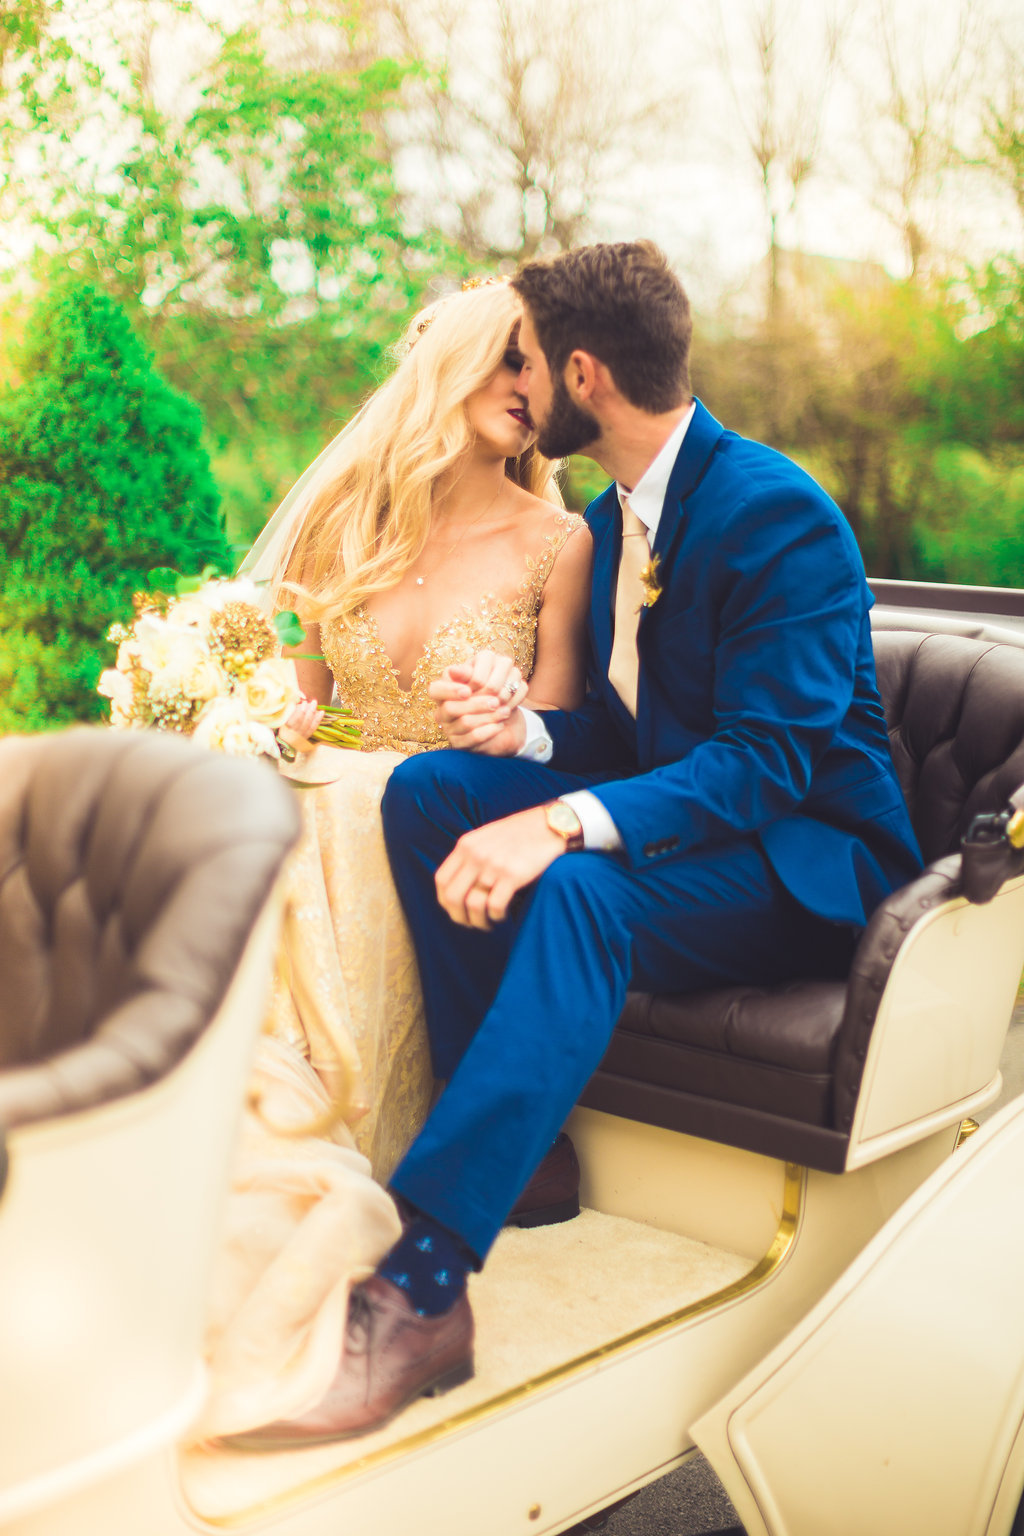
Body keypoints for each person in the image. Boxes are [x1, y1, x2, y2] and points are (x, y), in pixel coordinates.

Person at [232, 239, 923, 1451]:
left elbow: (771, 761)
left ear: (582, 375)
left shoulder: (777, 514)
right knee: (430, 793)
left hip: (803, 860)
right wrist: (527, 742)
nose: (518, 383)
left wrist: (558, 822)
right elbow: (615, 726)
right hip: (691, 825)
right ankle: (526, 1143)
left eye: (531, 360)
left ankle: (423, 1292)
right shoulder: (612, 522)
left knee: (579, 899)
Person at [193, 278, 591, 1442]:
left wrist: (508, 717)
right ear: (452, 361)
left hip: (451, 823)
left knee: (341, 807)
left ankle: (314, 1151)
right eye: (512, 362)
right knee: (255, 800)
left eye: (544, 373)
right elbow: (300, 705)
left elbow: (561, 739)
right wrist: (267, 727)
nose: (531, 392)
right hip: (337, 801)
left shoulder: (555, 543)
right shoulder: (338, 528)